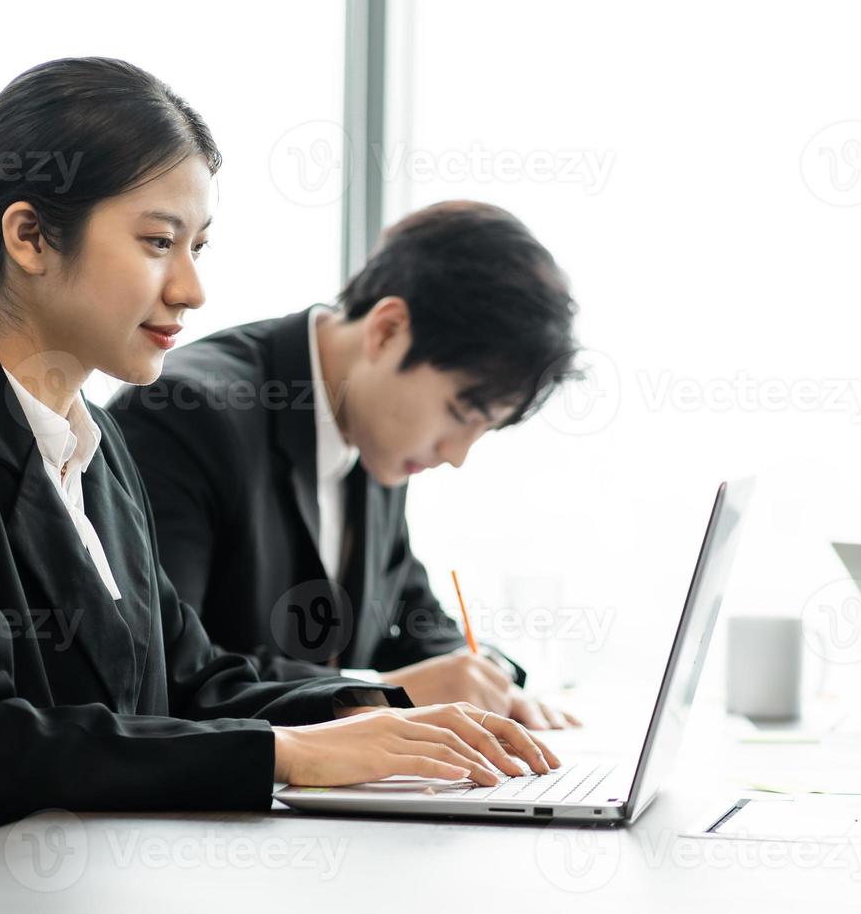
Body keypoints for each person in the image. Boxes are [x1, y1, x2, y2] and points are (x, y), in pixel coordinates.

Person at [0, 57, 557, 881]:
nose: (192, 289)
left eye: (196, 246)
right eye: (159, 243)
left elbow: (194, 679)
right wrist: (287, 755)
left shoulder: (93, 451)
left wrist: (375, 711)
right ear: (29, 237)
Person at [105, 200, 581, 729]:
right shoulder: (185, 414)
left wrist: (489, 676)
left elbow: (415, 622)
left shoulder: (377, 433)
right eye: (459, 413)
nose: (457, 455)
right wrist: (377, 693)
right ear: (388, 330)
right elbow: (165, 674)